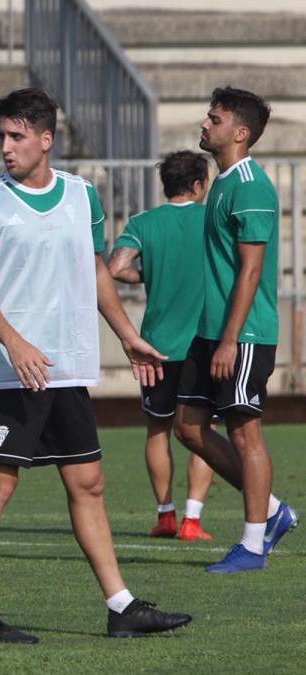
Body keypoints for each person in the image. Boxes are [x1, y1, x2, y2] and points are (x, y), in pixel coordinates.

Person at [0, 88, 191, 643]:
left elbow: (97, 272)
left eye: (16, 137)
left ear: (45, 139)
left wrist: (127, 335)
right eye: (1, 137)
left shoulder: (83, 196)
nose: (6, 148)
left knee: (89, 483)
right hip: (11, 371)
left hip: (68, 367)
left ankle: (121, 606)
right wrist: (13, 341)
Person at [173, 86, 298, 573]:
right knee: (187, 427)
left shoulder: (250, 185)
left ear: (240, 133)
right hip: (213, 331)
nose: (205, 124)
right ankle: (271, 511)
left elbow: (250, 271)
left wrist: (229, 338)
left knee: (245, 432)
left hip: (242, 335)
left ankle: (251, 545)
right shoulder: (223, 181)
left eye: (215, 119)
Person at [108, 150, 216, 541]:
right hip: (202, 343)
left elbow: (115, 269)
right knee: (203, 429)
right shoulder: (211, 218)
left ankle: (165, 514)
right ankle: (192, 519)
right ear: (200, 184)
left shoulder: (144, 222)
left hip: (157, 346)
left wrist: (148, 274)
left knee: (158, 429)